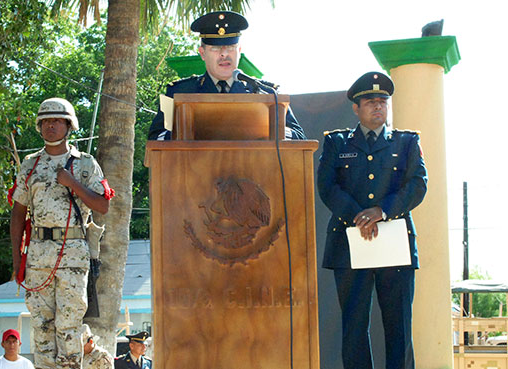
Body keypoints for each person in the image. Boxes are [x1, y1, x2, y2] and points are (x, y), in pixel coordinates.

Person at [317, 72, 428, 369]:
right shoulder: (337, 143)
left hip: (395, 246)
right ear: (356, 108)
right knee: (354, 327)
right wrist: (357, 215)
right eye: (370, 101)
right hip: (350, 244)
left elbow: (417, 184)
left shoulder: (406, 143)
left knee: (399, 327)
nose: (378, 106)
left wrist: (382, 211)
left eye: (383, 101)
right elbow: (327, 186)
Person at [10, 97, 114, 369]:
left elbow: (103, 204)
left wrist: (72, 183)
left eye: (56, 120)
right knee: (41, 326)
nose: (50, 126)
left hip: (72, 254)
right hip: (37, 255)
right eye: (45, 121)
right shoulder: (29, 166)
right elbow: (18, 214)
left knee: (69, 326)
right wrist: (17, 261)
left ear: (69, 125)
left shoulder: (85, 164)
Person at [148, 11, 306, 141]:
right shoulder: (177, 93)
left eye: (230, 47)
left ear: (239, 51)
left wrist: (270, 128)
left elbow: (300, 138)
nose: (224, 54)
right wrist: (183, 131)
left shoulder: (265, 93)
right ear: (202, 53)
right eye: (215, 48)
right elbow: (155, 141)